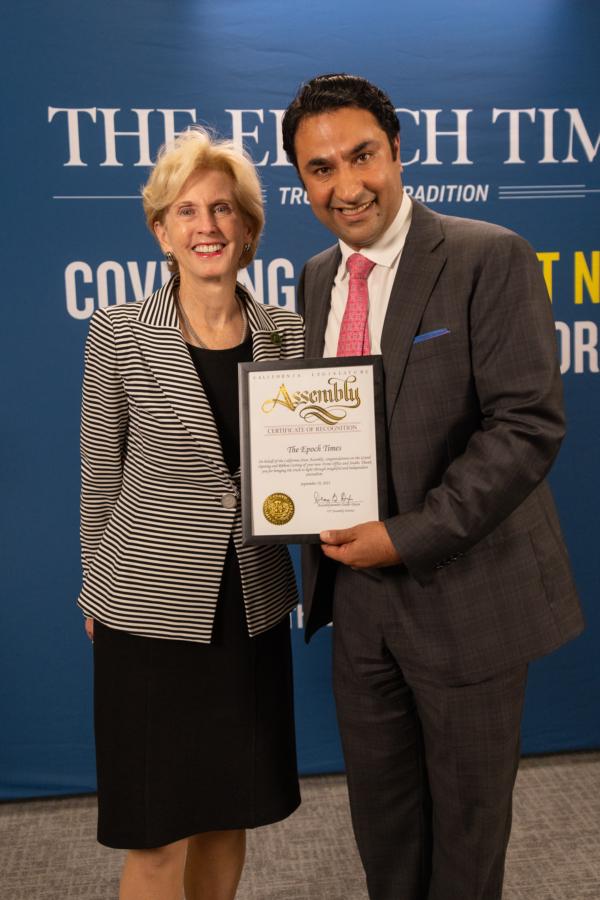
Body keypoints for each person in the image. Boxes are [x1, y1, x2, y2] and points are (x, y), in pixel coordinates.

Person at [282, 74, 584, 900]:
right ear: (301, 182)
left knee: (466, 839)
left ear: (398, 150)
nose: (346, 185)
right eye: (319, 169)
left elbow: (526, 427)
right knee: (385, 832)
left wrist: (404, 536)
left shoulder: (489, 255)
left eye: (361, 155)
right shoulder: (315, 280)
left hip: (468, 599)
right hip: (359, 607)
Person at [78, 127, 303, 900]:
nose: (206, 225)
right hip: (147, 614)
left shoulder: (290, 334)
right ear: (160, 230)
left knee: (225, 816)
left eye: (222, 208)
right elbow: (99, 476)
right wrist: (93, 590)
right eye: (187, 211)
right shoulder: (116, 332)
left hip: (251, 608)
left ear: (247, 227)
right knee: (157, 833)